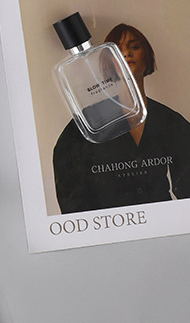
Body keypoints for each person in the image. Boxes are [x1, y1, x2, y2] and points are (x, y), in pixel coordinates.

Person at [52, 23, 190, 214]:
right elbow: (69, 188)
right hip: (111, 225)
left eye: (134, 46)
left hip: (161, 221)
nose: (126, 53)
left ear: (147, 56)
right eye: (117, 49)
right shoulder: (90, 121)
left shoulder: (170, 121)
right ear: (107, 61)